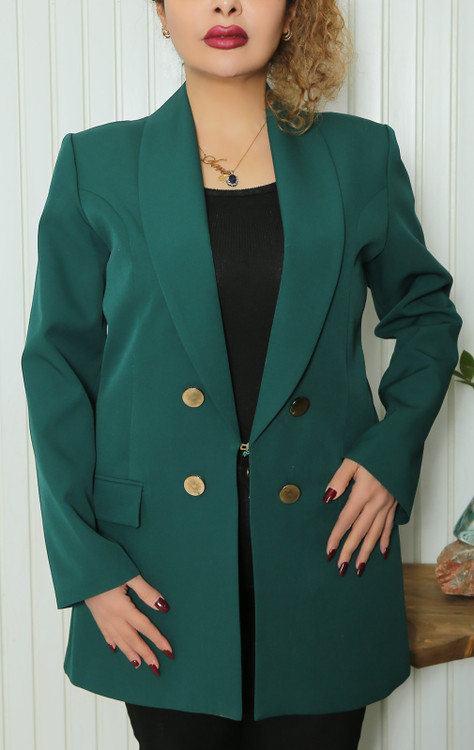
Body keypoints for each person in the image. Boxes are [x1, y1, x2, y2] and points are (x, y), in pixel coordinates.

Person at [21, 0, 463, 748]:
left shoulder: (362, 156)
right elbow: (56, 368)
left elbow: (426, 315)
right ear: (162, 11)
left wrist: (390, 453)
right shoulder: (95, 164)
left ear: (291, 13)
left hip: (328, 556)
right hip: (153, 573)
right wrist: (87, 564)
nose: (225, 4)